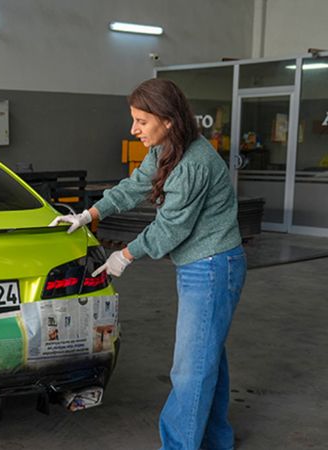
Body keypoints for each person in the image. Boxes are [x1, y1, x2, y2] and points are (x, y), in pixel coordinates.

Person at [51, 78, 246, 450]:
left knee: (190, 368)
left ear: (168, 119)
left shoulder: (193, 163)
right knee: (207, 358)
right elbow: (135, 185)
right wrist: (90, 213)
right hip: (201, 264)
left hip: (212, 267)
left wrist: (123, 256)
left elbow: (171, 228)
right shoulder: (166, 149)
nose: (133, 129)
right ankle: (216, 440)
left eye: (141, 120)